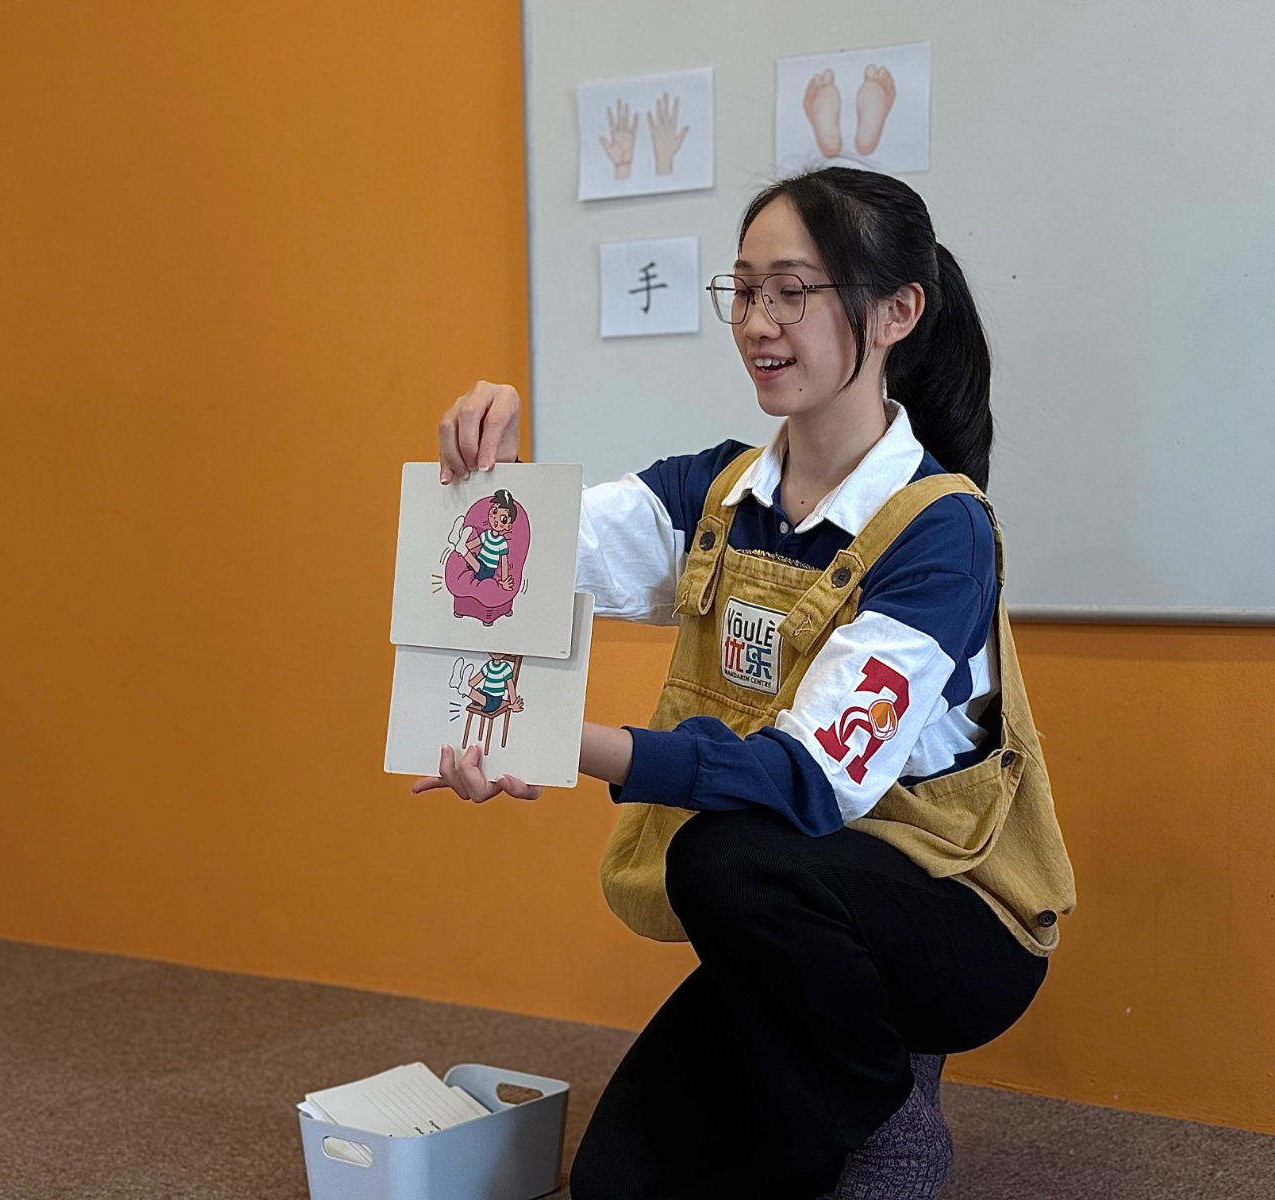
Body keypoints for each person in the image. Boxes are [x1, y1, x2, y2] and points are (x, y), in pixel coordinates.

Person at [413, 167, 1076, 1200]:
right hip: (802, 903)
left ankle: (886, 1107)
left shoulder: (940, 529)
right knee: (617, 1183)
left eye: (794, 290)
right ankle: (834, 1077)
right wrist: (483, 478)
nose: (760, 322)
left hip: (953, 918)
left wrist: (554, 739)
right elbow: (504, 569)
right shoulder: (714, 493)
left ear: (897, 311)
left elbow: (809, 781)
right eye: (744, 289)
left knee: (726, 854)